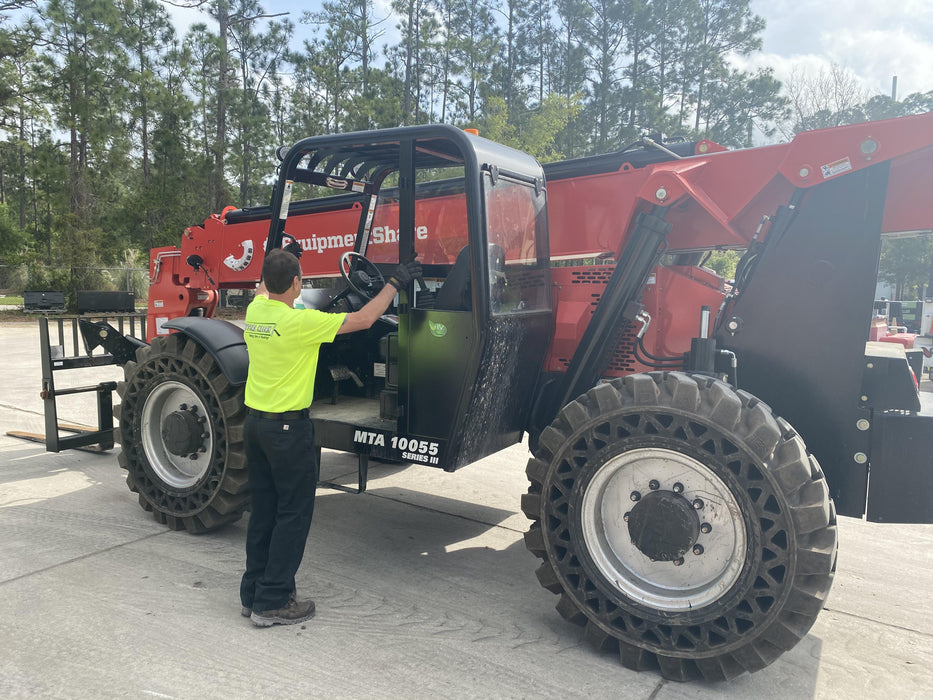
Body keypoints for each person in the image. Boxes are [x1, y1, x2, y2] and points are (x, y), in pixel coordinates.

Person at [240, 247, 421, 627]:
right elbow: (366, 318)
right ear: (296, 284)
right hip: (288, 432)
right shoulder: (301, 324)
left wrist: (282, 261)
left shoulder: (255, 312)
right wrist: (394, 282)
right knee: (293, 514)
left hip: (255, 426)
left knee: (264, 511)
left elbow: (262, 288)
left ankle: (252, 592)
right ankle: (272, 601)